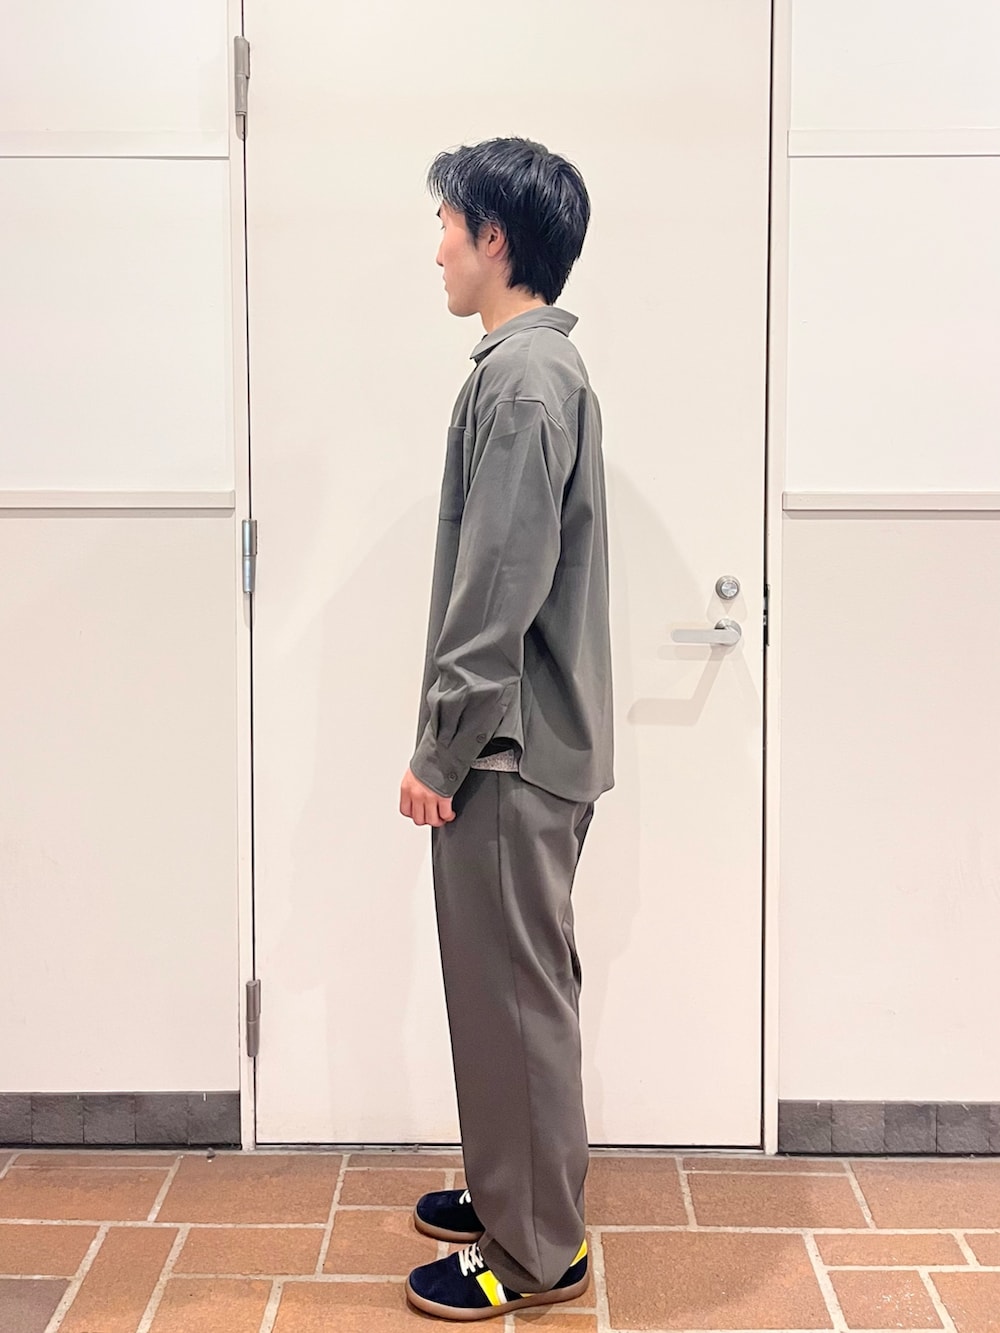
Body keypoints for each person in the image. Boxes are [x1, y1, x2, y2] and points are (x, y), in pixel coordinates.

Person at [398, 136, 614, 1322]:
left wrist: (440, 747)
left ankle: (537, 1254)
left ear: (494, 237)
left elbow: (498, 587)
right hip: (516, 745)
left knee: (517, 1003)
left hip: (506, 752)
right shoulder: (524, 369)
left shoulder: (527, 379)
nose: (435, 247)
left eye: (446, 224)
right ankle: (511, 1194)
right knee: (503, 996)